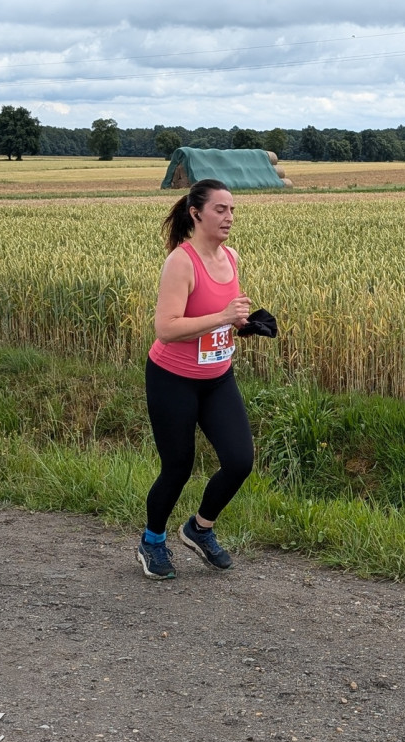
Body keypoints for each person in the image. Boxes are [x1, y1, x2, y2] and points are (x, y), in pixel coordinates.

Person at [137, 178, 254, 579]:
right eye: (220, 209)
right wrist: (222, 316)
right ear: (196, 213)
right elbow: (167, 329)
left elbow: (220, 316)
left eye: (232, 210)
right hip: (173, 378)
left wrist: (243, 323)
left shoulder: (232, 257)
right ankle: (152, 542)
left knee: (240, 460)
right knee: (178, 465)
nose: (229, 217)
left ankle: (199, 530)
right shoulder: (181, 262)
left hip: (218, 377)